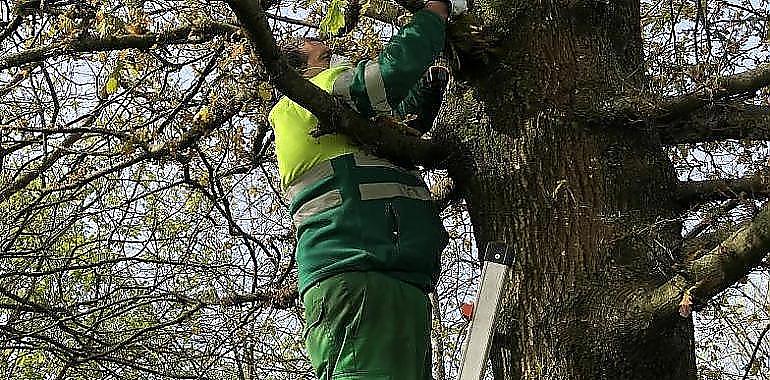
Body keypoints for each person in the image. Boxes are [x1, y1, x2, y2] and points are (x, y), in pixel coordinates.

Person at [268, 1, 464, 378]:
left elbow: (392, 132)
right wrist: (433, 17)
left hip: (393, 275)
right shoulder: (310, 95)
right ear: (305, 69)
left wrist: (423, 95)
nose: (338, 53)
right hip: (358, 270)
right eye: (326, 53)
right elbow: (383, 79)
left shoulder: (345, 125)